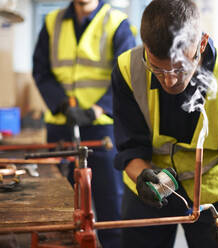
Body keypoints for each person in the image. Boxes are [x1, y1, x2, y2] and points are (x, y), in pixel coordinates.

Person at [112, 0, 218, 247]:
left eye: (180, 68)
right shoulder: (128, 69)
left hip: (214, 192)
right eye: (158, 69)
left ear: (202, 42)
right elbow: (130, 148)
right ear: (146, 48)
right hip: (152, 186)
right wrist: (141, 176)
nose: (170, 81)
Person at [32, 0, 136, 247]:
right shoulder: (52, 22)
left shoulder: (117, 23)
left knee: (110, 208)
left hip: (101, 128)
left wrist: (97, 109)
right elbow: (41, 71)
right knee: (58, 212)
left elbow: (127, 73)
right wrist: (62, 105)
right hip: (61, 125)